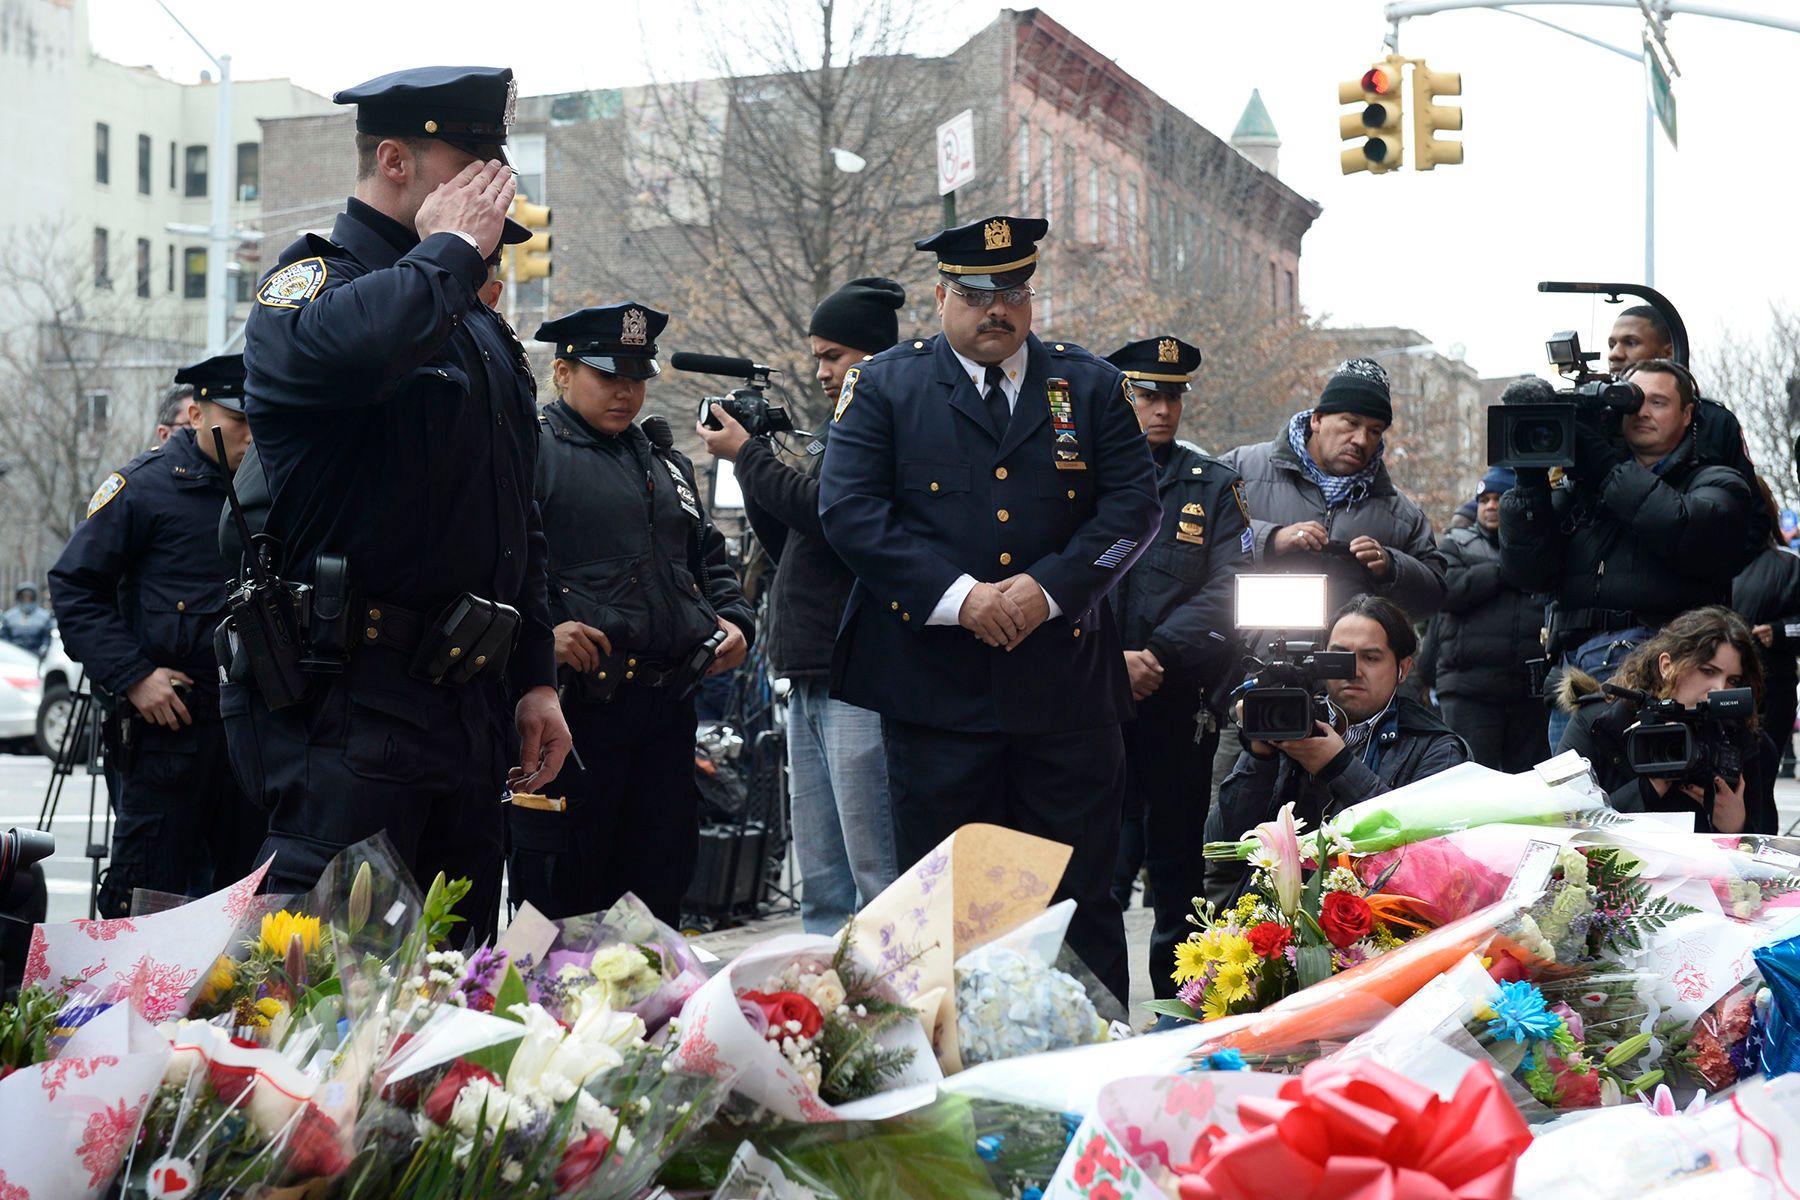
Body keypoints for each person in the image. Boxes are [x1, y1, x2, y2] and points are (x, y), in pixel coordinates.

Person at [233, 66, 571, 940]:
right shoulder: (311, 284)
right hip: (352, 711)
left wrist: (535, 677)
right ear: (393, 159)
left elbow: (516, 520)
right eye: (472, 171)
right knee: (331, 1003)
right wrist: (451, 251)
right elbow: (338, 356)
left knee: (458, 996)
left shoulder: (476, 324)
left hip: (468, 710)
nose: (495, 198)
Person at [818, 214, 1161, 1006]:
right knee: (948, 908)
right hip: (936, 693)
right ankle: (954, 1074)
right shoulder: (886, 387)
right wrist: (962, 599)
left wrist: (1044, 592)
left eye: (1011, 291)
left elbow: (1133, 511)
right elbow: (851, 513)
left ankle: (1092, 1064)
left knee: (1082, 902)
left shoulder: (1091, 385)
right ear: (940, 297)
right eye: (975, 294)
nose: (995, 309)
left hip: (1066, 694)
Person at [506, 303, 753, 925]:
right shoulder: (529, 448)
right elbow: (503, 564)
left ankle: (654, 1024)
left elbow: (706, 558)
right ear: (562, 374)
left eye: (636, 377)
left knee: (656, 896)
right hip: (577, 714)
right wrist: (542, 637)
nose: (626, 391)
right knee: (565, 901)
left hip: (666, 711)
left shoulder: (665, 460)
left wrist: (735, 619)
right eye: (607, 375)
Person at [695, 278, 905, 934]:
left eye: (834, 355)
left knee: (875, 874)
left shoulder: (890, 425)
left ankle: (898, 1010)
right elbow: (789, 538)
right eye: (816, 356)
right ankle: (829, 1012)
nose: (820, 372)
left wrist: (750, 455)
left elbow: (827, 515)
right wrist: (753, 459)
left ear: (872, 355)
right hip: (810, 675)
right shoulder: (834, 430)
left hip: (859, 674)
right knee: (823, 881)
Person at [49, 354, 266, 916]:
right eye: (238, 418)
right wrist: (133, 676)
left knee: (244, 911)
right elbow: (74, 586)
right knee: (145, 905)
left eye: (260, 417)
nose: (251, 432)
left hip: (251, 735)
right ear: (196, 412)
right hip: (169, 734)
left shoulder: (272, 488)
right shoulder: (143, 488)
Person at [1500, 359, 1754, 754]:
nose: (1642, 412)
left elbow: (1680, 527)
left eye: (1658, 402)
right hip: (1574, 688)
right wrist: (1529, 482)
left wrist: (1605, 465)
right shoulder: (1584, 488)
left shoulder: (1716, 481)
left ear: (1688, 415)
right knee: (1575, 813)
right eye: (1632, 402)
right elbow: (1527, 572)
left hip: (1664, 688)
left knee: (1651, 809)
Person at [1100, 334, 1250, 999]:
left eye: (1175, 395)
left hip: (1177, 699)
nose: (1164, 409)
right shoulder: (1080, 475)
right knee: (1100, 867)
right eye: (1149, 394)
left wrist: (1156, 654)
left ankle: (1177, 1011)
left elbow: (1231, 586)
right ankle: (1094, 1007)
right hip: (1092, 698)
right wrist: (1112, 660)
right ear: (1121, 394)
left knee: (1178, 873)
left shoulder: (1209, 485)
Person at [1202, 594, 1468, 906]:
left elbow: (1430, 860)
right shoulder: (1287, 723)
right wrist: (1259, 757)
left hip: (1383, 924)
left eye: (1371, 658)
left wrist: (1339, 767)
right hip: (1278, 918)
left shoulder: (1435, 746)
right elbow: (1223, 846)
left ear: (1403, 668)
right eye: (1338, 658)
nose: (1352, 671)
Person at [1557, 606, 1774, 834]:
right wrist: (1647, 788)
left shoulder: (1738, 737)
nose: (1719, 689)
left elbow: (1766, 855)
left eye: (1732, 680)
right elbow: (1561, 825)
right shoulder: (1598, 723)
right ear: (1666, 666)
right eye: (1708, 671)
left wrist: (1736, 826)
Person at [1433, 468, 1548, 772]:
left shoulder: (1544, 545)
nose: (1491, 506)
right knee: (1467, 783)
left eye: (1500, 498)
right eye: (1484, 499)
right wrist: (1506, 570)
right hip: (1469, 690)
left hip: (1528, 695)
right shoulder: (1455, 544)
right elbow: (1449, 591)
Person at [0, 584, 53, 658]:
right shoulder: (9, 616)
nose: (26, 599)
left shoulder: (44, 616)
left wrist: (44, 647)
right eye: (24, 597)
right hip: (14, 654)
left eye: (29, 597)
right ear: (19, 598)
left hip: (35, 655)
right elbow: (4, 636)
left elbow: (47, 637)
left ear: (34, 597)